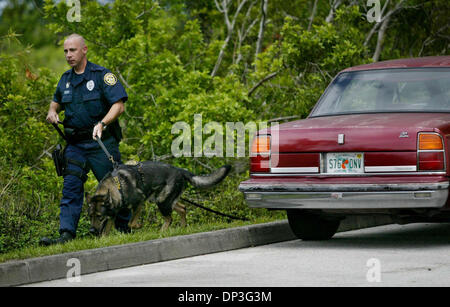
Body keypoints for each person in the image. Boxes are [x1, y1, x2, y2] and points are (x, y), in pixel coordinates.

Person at [40, 34, 130, 246]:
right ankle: (66, 235)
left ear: (84, 50)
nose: (68, 55)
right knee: (71, 188)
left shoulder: (102, 75)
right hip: (76, 146)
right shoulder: (65, 80)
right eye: (65, 51)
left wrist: (102, 123)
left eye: (72, 50)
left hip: (101, 142)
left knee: (116, 185)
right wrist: (52, 112)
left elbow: (119, 105)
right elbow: (55, 103)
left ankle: (125, 230)